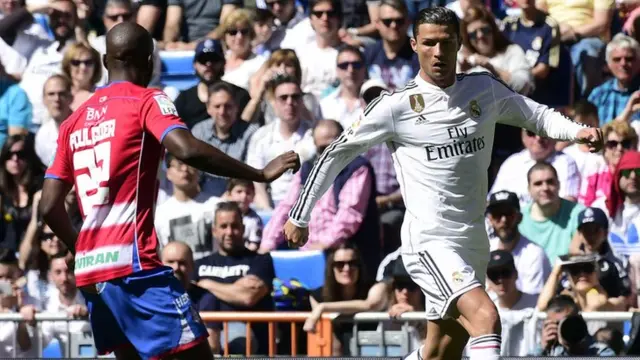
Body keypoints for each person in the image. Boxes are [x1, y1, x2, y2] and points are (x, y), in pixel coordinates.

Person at [283, 7, 603, 360]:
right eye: (429, 43)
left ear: (459, 43)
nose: (438, 53)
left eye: (446, 43)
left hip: (473, 240)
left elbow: (535, 114)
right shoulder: (395, 106)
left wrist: (577, 132)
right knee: (485, 318)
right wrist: (301, 215)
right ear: (414, 44)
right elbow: (336, 153)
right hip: (429, 241)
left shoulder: (483, 88)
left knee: (441, 351)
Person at [38, 22, 300, 360]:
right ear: (148, 61)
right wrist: (259, 173)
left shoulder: (73, 122)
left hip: (92, 271)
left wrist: (83, 247)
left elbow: (47, 206)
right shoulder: (146, 100)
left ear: (105, 62)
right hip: (134, 266)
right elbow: (186, 149)